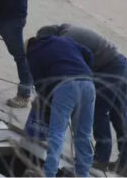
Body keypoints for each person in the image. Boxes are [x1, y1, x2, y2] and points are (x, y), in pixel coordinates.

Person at [37, 24, 127, 176]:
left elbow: (74, 67)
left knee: (98, 111)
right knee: (119, 115)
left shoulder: (64, 40)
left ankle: (101, 157)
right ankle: (125, 163)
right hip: (121, 65)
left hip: (110, 68)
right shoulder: (68, 30)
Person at [26, 33, 95, 177]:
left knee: (56, 133)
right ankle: (83, 174)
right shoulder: (63, 40)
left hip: (65, 86)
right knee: (84, 133)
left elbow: (40, 85)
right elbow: (88, 54)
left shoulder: (33, 53)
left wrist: (47, 104)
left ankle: (49, 173)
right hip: (88, 83)